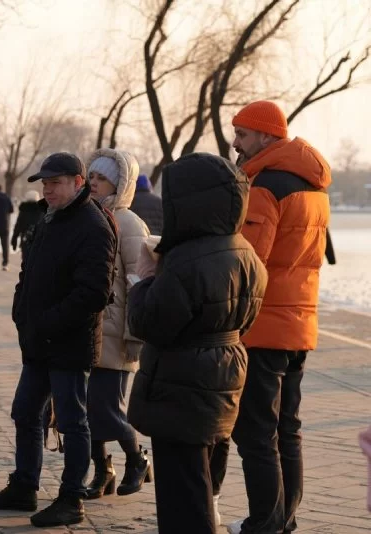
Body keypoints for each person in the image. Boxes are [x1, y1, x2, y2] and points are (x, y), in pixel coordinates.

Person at [126, 153, 268, 534]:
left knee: (183, 492)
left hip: (182, 379)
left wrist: (144, 281)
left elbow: (149, 322)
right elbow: (249, 318)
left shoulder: (187, 259)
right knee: (200, 478)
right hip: (225, 369)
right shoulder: (246, 252)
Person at [0, 152, 118, 528]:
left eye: (55, 183)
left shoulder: (93, 225)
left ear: (78, 182)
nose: (47, 190)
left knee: (72, 422)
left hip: (69, 344)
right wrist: (21, 313)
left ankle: (71, 498)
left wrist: (47, 323)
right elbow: (28, 271)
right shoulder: (49, 217)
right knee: (25, 412)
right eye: (45, 183)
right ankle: (24, 486)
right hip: (39, 341)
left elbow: (93, 293)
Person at [227, 101, 331, 534]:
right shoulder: (313, 185)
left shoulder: (266, 185)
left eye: (242, 134)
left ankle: (264, 523)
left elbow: (250, 262)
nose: (236, 143)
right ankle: (284, 518)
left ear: (267, 136)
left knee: (256, 432)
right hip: (300, 324)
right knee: (288, 427)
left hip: (265, 326)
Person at [83, 148, 152, 500]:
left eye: (102, 178)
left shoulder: (129, 223)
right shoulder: (85, 216)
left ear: (120, 184)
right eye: (91, 176)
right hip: (85, 331)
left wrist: (135, 335)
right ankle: (102, 471)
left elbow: (140, 283)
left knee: (108, 409)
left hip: (115, 336)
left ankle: (137, 459)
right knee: (85, 411)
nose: (94, 183)